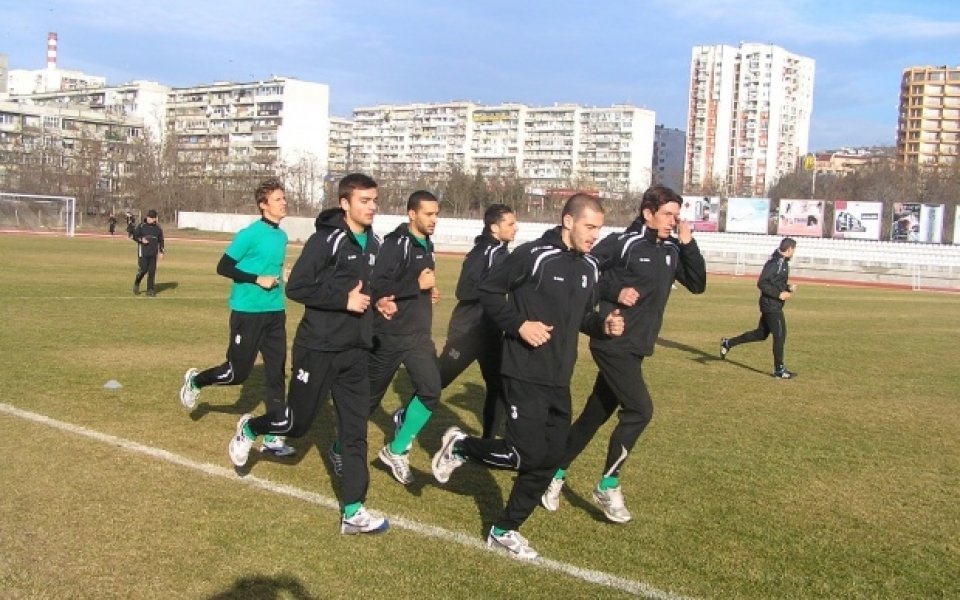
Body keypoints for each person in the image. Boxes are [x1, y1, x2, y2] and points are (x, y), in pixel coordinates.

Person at [430, 194, 625, 560]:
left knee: (550, 459)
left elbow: (583, 317)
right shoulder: (533, 256)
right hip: (521, 369)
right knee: (525, 453)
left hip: (558, 377)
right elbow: (487, 291)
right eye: (590, 226)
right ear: (568, 221)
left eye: (599, 228)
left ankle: (504, 530)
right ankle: (459, 446)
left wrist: (604, 326)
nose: (595, 235)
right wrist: (519, 324)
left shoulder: (589, 268)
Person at [227, 172, 393, 535]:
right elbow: (298, 286)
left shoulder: (375, 244)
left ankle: (353, 510)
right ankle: (252, 428)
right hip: (318, 347)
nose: (372, 207)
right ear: (345, 203)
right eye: (364, 201)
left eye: (375, 201)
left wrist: (378, 302)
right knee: (297, 424)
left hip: (355, 352)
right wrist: (343, 301)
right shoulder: (326, 240)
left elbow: (368, 288)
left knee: (354, 431)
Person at [540, 185, 707, 523]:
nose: (674, 221)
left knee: (594, 415)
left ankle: (552, 474)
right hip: (612, 341)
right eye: (668, 214)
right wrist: (616, 290)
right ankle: (608, 484)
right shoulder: (624, 243)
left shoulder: (672, 248)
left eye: (677, 215)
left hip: (637, 347)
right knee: (640, 410)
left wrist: (689, 244)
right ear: (648, 213)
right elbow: (583, 271)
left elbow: (698, 283)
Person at [179, 177, 293, 457]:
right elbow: (224, 266)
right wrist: (257, 279)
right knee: (237, 373)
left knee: (276, 374)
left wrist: (282, 276)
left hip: (275, 313)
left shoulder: (282, 235)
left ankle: (272, 437)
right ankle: (196, 381)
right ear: (263, 205)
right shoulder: (249, 234)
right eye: (278, 199)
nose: (284, 202)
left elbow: (272, 270)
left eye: (283, 198)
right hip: (248, 313)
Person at [363, 190, 442, 486]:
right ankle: (340, 448)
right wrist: (416, 284)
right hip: (390, 335)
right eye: (428, 214)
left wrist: (427, 291)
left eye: (436, 214)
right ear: (412, 214)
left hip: (418, 337)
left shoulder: (426, 243)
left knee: (431, 391)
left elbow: (415, 284)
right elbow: (378, 285)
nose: (434, 219)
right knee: (367, 402)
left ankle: (395, 450)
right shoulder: (397, 244)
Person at [435, 204, 517, 439]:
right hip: (467, 332)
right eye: (510, 224)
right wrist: (492, 291)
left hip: (491, 333)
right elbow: (464, 290)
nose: (515, 228)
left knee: (499, 386)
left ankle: (488, 441)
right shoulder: (484, 253)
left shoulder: (502, 252)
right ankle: (405, 417)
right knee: (437, 382)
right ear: (494, 227)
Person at [721, 237, 798, 378]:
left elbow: (775, 282)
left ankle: (728, 342)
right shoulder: (775, 263)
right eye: (794, 250)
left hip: (772, 304)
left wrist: (788, 288)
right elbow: (762, 283)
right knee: (780, 335)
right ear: (790, 249)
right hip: (771, 305)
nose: (794, 253)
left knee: (760, 334)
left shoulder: (783, 263)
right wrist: (779, 294)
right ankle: (779, 370)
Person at [132, 209, 164, 297]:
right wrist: (141, 240)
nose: (153, 219)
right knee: (143, 270)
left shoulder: (158, 228)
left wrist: (161, 251)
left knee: (152, 271)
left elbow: (161, 240)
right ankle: (136, 283)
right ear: (147, 217)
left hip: (153, 253)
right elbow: (134, 236)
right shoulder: (141, 226)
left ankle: (150, 290)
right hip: (143, 252)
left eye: (154, 218)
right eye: (151, 218)